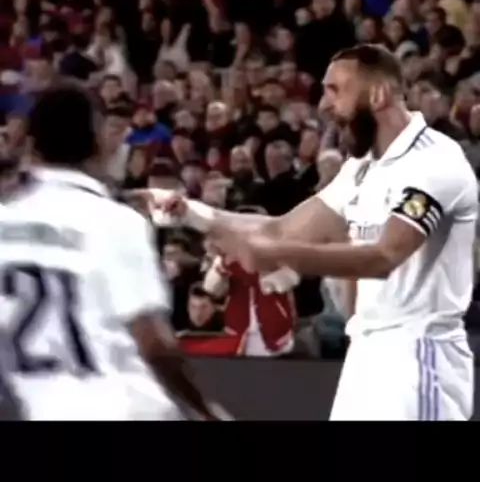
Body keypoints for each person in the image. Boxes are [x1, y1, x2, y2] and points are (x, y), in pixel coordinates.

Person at [147, 44, 478, 420]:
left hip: (419, 356)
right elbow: (281, 229)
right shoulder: (362, 168)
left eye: (336, 90)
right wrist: (191, 213)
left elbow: (384, 257)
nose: (324, 105)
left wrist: (275, 255)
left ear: (378, 94)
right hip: (365, 353)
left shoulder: (434, 162)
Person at [0, 84, 229, 421]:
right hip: (117, 406)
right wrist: (207, 411)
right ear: (99, 144)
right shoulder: (114, 221)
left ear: (31, 146)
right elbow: (155, 344)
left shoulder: (5, 221)